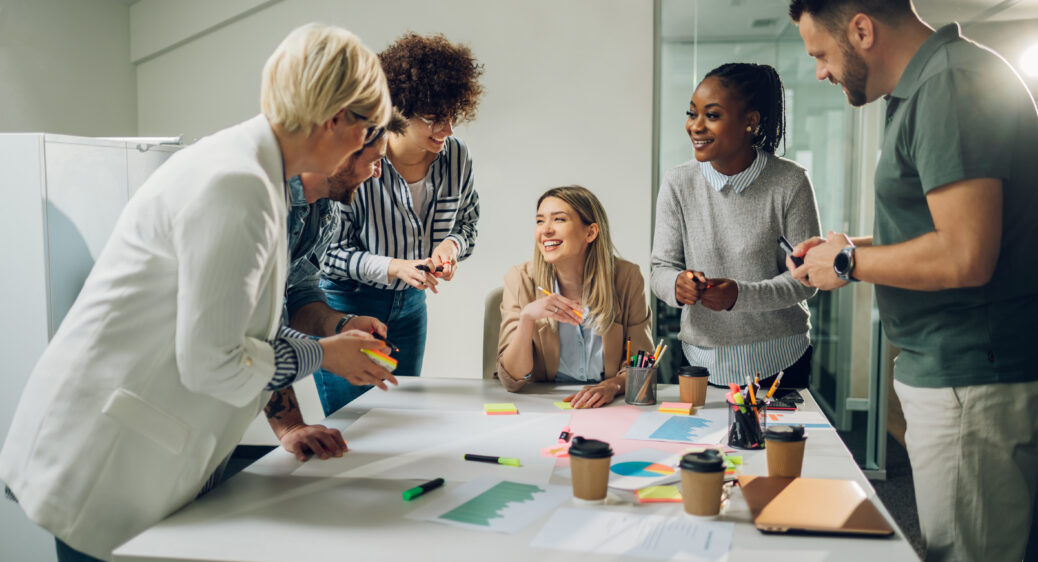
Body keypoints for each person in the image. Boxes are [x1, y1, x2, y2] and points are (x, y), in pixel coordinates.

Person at [0, 24, 398, 561]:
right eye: (369, 127)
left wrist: (288, 421)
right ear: (335, 119)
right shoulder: (235, 185)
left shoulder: (254, 173)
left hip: (145, 443)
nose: (368, 146)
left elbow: (233, 328)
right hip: (105, 462)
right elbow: (215, 362)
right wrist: (326, 355)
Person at [787, 1, 1038, 560]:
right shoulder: (931, 84)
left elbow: (966, 255)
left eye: (821, 55)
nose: (821, 72)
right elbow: (939, 230)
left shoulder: (948, 84)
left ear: (861, 29)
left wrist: (849, 265)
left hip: (971, 377)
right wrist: (845, 250)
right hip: (956, 372)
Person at [314, 32, 484, 415]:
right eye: (435, 119)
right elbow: (328, 256)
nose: (449, 129)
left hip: (411, 308)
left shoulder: (457, 156)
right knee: (354, 424)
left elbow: (469, 222)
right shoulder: (358, 157)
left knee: (402, 422)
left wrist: (451, 247)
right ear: (399, 111)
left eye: (453, 116)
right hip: (347, 304)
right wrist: (393, 267)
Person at [650, 62, 820, 391]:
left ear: (750, 121)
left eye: (711, 115)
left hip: (781, 360)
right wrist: (677, 285)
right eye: (692, 113)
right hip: (700, 362)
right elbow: (661, 268)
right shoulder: (677, 182)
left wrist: (740, 296)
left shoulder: (790, 182)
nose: (695, 126)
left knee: (773, 445)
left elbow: (807, 279)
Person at [265, 110, 408, 462]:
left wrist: (341, 325)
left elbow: (298, 293)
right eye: (375, 160)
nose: (377, 173)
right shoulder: (265, 203)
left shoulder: (326, 210)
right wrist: (325, 355)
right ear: (345, 145)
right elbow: (251, 335)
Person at [496, 186, 653, 408]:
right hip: (542, 405)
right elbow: (511, 380)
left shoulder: (627, 278)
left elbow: (641, 364)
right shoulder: (519, 279)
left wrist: (613, 385)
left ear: (590, 232)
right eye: (540, 221)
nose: (546, 230)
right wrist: (527, 318)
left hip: (610, 405)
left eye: (558, 219)